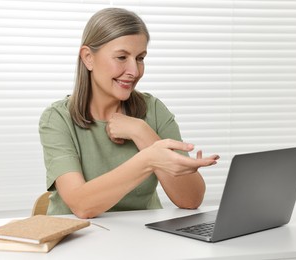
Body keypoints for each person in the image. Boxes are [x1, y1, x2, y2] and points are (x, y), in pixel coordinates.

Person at [39, 7, 219, 219]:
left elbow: (190, 200)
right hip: (77, 242)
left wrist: (141, 132)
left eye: (140, 58)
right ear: (88, 58)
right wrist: (149, 159)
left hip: (141, 241)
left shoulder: (153, 110)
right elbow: (82, 205)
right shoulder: (58, 119)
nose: (134, 71)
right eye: (122, 57)